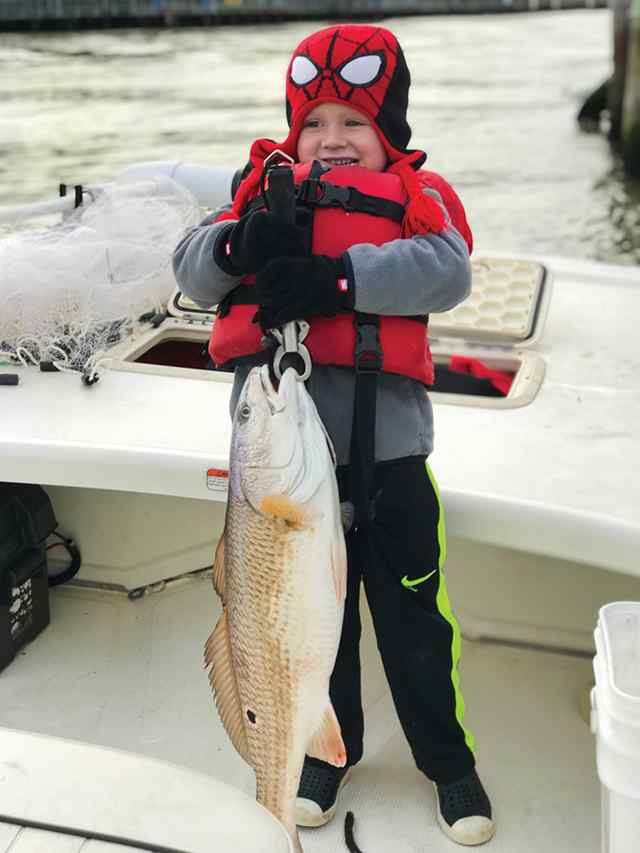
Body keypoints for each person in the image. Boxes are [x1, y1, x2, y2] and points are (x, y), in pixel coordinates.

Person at [173, 23, 494, 847]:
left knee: (418, 624)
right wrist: (241, 242)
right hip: (282, 475)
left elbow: (449, 268)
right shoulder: (260, 195)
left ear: (390, 135)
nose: (332, 139)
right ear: (291, 133)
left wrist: (340, 276)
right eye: (313, 123)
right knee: (315, 623)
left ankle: (446, 760)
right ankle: (323, 751)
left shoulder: (424, 202)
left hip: (391, 469)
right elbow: (191, 266)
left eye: (354, 122)